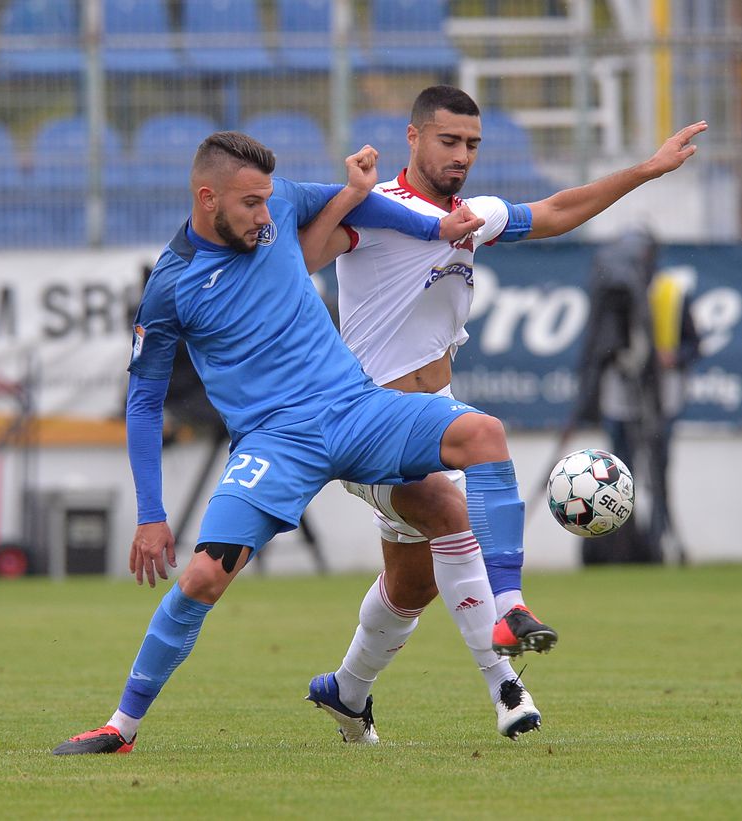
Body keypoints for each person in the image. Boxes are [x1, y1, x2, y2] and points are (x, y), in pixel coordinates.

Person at [52, 131, 546, 755]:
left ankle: (509, 608)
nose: (266, 216)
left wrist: (433, 230)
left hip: (355, 408)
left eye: (266, 201)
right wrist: (151, 516)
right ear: (207, 199)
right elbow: (144, 400)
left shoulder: (278, 200)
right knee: (203, 577)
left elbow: (359, 203)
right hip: (274, 443)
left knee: (484, 433)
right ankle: (119, 729)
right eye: (250, 205)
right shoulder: (171, 285)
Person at [296, 85, 705, 741]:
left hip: (432, 413)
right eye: (448, 141)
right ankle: (508, 685)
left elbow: (558, 210)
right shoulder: (374, 211)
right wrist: (345, 198)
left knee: (410, 586)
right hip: (363, 416)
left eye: (472, 145)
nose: (461, 156)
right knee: (456, 507)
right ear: (414, 136)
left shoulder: (477, 214)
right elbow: (302, 258)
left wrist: (646, 171)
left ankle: (346, 692)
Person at [574, 228, 701, 564]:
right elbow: (598, 342)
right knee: (618, 473)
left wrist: (674, 357)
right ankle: (622, 545)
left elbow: (694, 343)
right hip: (620, 394)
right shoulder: (611, 291)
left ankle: (657, 542)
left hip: (662, 396)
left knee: (658, 470)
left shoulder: (672, 291)